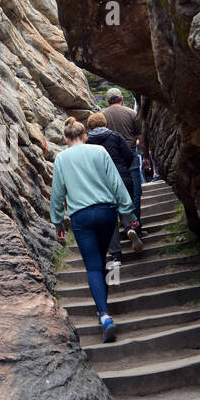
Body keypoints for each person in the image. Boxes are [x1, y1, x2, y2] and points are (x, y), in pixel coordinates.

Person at [51, 117, 142, 343]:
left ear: (65, 138)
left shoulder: (61, 159)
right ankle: (103, 310)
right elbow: (116, 184)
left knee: (93, 266)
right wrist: (129, 215)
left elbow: (58, 194)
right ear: (84, 135)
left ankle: (104, 315)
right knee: (102, 262)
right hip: (106, 212)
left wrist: (57, 222)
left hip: (81, 217)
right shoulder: (100, 152)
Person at [85, 111, 141, 262]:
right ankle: (130, 228)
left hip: (100, 181)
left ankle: (116, 253)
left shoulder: (87, 141)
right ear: (104, 122)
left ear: (89, 126)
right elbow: (129, 155)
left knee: (109, 216)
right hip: (122, 175)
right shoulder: (115, 136)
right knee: (124, 204)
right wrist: (123, 168)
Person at [102, 88, 144, 228]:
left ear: (108, 101)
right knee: (135, 193)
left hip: (111, 161)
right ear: (122, 99)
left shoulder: (102, 117)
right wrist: (146, 157)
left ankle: (126, 225)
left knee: (117, 193)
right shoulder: (131, 113)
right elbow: (141, 137)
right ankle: (136, 227)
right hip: (131, 157)